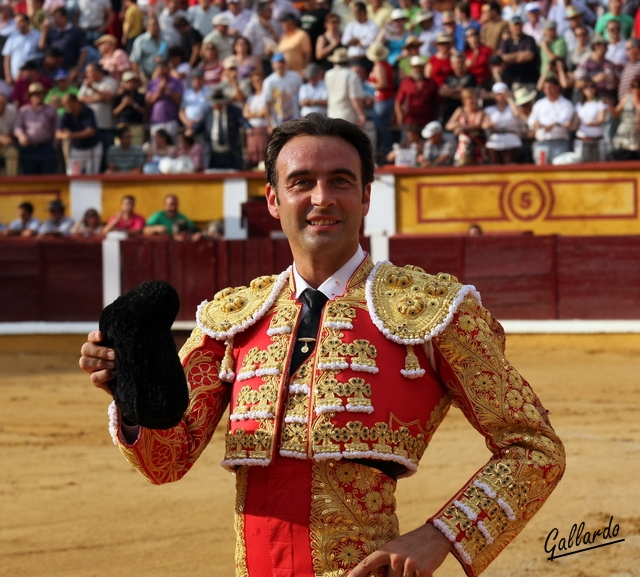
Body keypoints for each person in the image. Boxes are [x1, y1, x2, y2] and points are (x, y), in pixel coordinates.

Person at [79, 113, 565, 577]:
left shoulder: (433, 312)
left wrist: (440, 536)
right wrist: (131, 394)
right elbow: (168, 460)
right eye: (301, 182)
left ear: (366, 196)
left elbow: (535, 448)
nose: (322, 198)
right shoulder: (233, 320)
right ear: (273, 199)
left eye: (340, 180)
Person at [528, 76, 576, 164]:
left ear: (557, 88)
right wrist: (536, 124)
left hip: (559, 143)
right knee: (541, 171)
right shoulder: (539, 104)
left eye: (550, 88)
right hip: (541, 143)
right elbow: (531, 120)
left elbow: (564, 119)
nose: (548, 91)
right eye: (545, 88)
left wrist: (551, 125)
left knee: (560, 170)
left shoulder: (566, 104)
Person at [13, 81, 58, 174]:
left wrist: (55, 144)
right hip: (29, 148)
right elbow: (17, 127)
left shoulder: (51, 109)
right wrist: (21, 136)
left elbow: (57, 127)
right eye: (34, 94)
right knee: (30, 176)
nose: (38, 96)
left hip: (47, 147)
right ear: (30, 97)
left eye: (40, 93)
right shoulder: (24, 110)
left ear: (44, 94)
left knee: (49, 176)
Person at [57, 93, 102, 175]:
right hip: (77, 149)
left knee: (91, 176)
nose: (67, 107)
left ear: (75, 102)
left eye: (68, 104)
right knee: (72, 174)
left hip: (92, 148)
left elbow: (91, 131)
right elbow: (58, 134)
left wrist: (72, 135)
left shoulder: (88, 111)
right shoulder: (67, 114)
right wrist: (65, 135)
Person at [395, 54, 439, 133]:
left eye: (420, 67)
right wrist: (399, 115)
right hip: (411, 120)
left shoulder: (432, 83)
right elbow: (398, 101)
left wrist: (440, 117)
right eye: (415, 67)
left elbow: (439, 102)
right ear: (412, 68)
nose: (418, 69)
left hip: (428, 119)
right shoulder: (406, 83)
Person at [482, 82, 523, 164]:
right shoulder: (489, 110)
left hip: (512, 140)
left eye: (503, 94)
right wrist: (489, 124)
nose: (501, 97)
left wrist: (509, 99)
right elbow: (484, 125)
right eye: (498, 94)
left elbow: (518, 114)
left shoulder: (514, 107)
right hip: (495, 141)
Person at [324, 46, 366, 126]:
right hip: (348, 115)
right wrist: (361, 114)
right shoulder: (351, 75)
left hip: (332, 113)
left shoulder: (328, 74)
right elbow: (355, 98)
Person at [262, 52, 303, 130]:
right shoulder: (269, 82)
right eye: (277, 63)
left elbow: (302, 95)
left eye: (282, 62)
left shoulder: (295, 76)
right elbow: (267, 103)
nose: (280, 65)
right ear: (273, 65)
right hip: (277, 122)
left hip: (295, 119)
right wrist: (269, 125)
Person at [572, 79, 607, 162]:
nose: (589, 89)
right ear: (583, 90)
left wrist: (592, 124)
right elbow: (575, 124)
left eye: (592, 87)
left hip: (597, 140)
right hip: (582, 140)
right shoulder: (579, 105)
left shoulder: (600, 103)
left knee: (600, 167)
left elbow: (601, 120)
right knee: (581, 167)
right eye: (586, 87)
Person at [2, 13, 40, 86]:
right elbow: (7, 58)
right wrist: (8, 76)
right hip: (15, 78)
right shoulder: (12, 38)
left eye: (20, 22)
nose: (18, 24)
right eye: (16, 23)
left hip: (33, 77)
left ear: (27, 22)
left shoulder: (37, 35)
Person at [0, 92, 18, 176]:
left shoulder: (12, 110)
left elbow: (15, 127)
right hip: (2, 140)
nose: (1, 106)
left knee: (13, 153)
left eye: (3, 104)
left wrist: (8, 135)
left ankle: (11, 181)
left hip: (6, 144)